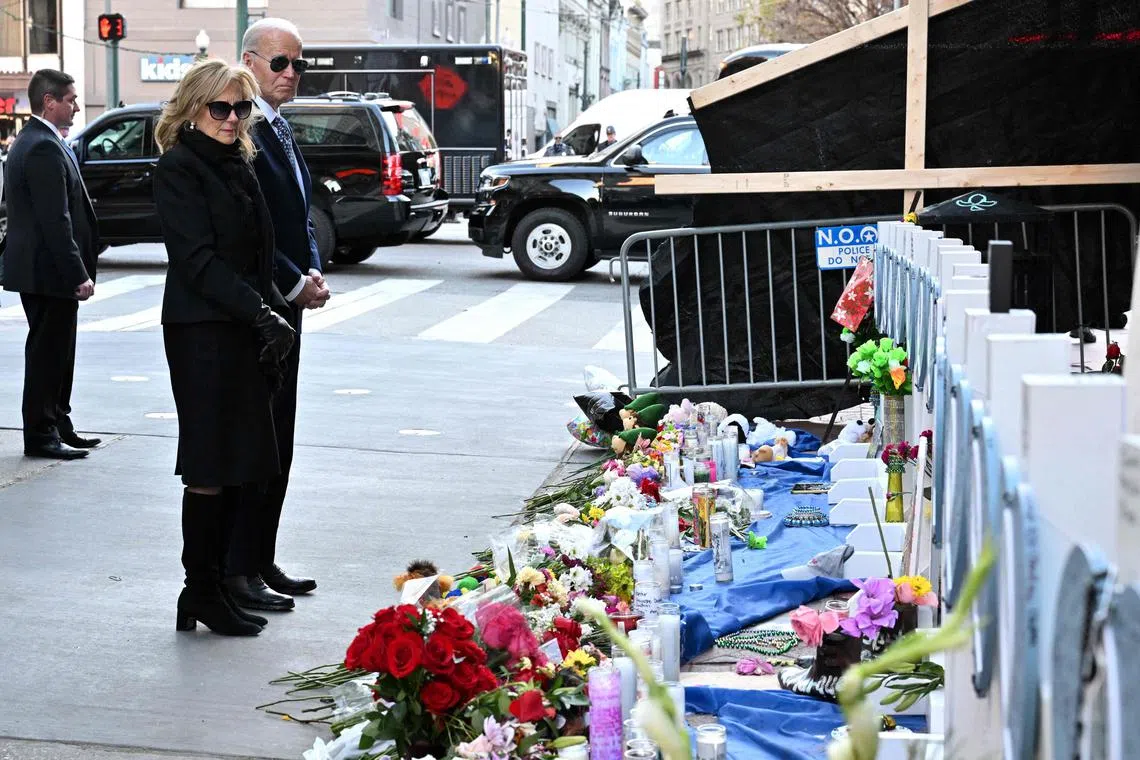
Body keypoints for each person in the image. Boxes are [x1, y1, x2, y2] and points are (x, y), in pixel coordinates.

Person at [153, 59, 296, 636]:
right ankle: (200, 590)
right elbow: (198, 261)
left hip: (243, 328)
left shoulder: (239, 163)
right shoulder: (179, 168)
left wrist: (270, 311)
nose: (233, 118)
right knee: (211, 463)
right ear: (193, 107)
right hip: (202, 333)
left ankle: (216, 586)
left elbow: (258, 251)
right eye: (221, 108)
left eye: (241, 108)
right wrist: (262, 312)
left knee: (244, 461)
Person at [225, 17, 329, 613]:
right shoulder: (242, 128)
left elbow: (297, 213)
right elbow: (254, 222)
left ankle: (260, 557)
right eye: (279, 63)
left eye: (298, 64)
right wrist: (292, 281)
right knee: (257, 441)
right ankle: (240, 567)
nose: (291, 75)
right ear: (249, 60)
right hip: (262, 307)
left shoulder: (279, 128)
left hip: (289, 303)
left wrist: (310, 271)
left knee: (280, 439)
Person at [0, 69, 100, 460]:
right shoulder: (40, 146)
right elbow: (53, 219)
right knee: (47, 353)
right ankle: (41, 435)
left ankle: (59, 423)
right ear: (49, 101)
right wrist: (77, 273)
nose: (76, 106)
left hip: (44, 270)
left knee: (58, 350)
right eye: (71, 99)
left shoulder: (38, 140)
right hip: (48, 272)